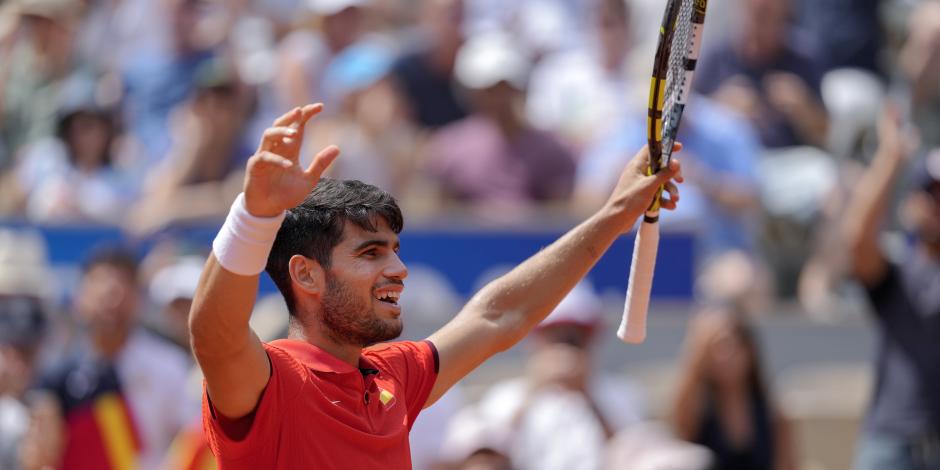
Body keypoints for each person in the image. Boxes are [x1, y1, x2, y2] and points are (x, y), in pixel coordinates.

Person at [189, 102, 683, 469]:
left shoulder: (392, 377)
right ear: (306, 275)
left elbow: (499, 314)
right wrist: (254, 216)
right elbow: (215, 335)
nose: (399, 270)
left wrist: (614, 215)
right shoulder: (274, 381)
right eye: (371, 253)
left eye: (395, 251)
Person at [843, 106, 940, 470]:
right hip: (891, 442)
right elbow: (858, 241)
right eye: (930, 193)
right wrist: (891, 157)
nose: (937, 205)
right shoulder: (899, 273)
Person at [457, 282, 645, 470]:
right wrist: (535, 390)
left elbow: (635, 455)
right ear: (537, 338)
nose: (565, 346)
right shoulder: (506, 395)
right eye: (555, 335)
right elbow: (486, 455)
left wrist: (588, 396)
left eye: (575, 337)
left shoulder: (621, 392)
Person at [37, 247, 194, 470]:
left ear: (138, 300)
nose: (111, 301)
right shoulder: (58, 373)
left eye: (121, 288)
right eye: (100, 287)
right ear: (79, 299)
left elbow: (192, 437)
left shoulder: (170, 365)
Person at [671, 310, 798, 470]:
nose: (725, 356)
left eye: (733, 346)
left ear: (749, 350)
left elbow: (788, 465)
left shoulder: (772, 413)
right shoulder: (696, 409)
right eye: (716, 349)